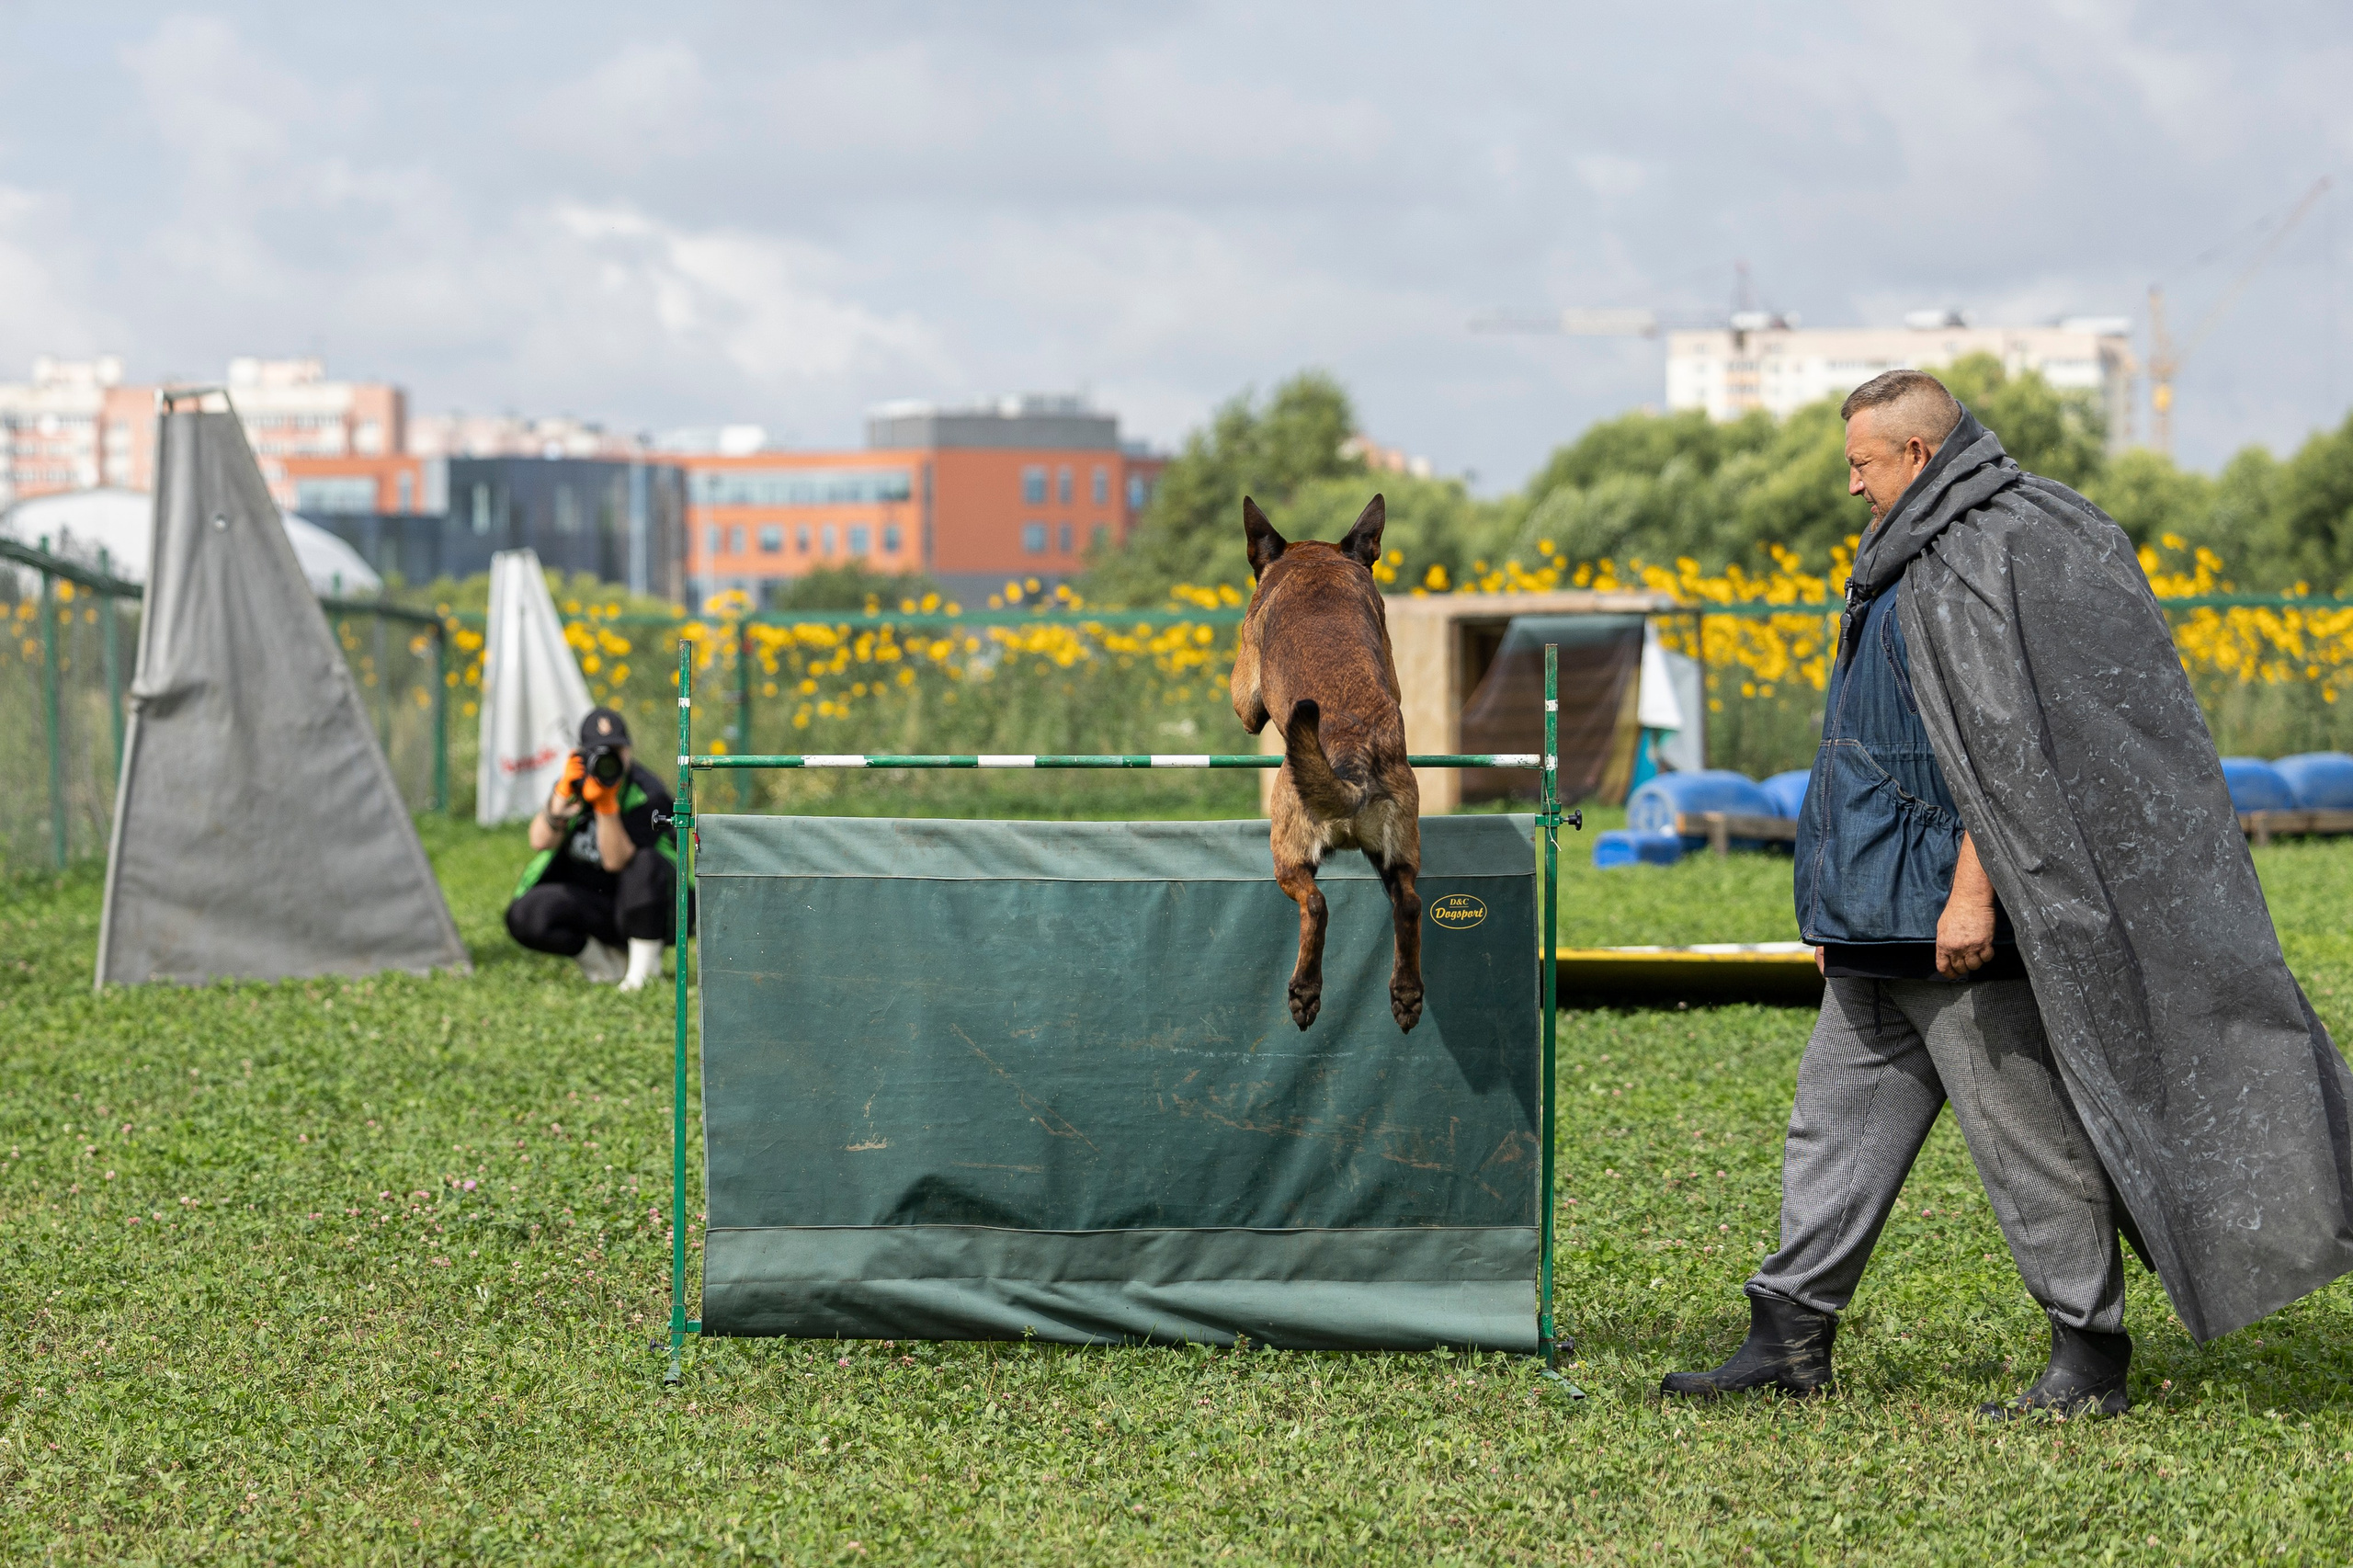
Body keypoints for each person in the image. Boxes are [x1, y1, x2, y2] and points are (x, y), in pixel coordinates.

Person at [1662, 369, 2353, 1419]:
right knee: (1831, 1127)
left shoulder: (1998, 546)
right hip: (1872, 916)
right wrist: (1837, 900)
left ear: (1918, 456)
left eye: (1861, 463)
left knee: (2025, 1143)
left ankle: (2089, 1357)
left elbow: (2015, 751)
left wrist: (1972, 894)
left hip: (1950, 917)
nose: (1850, 486)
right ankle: (1787, 1335)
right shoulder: (1903, 552)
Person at [505, 706, 678, 991]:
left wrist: (605, 804)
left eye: (617, 750)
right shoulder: (576, 783)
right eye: (601, 752)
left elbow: (616, 861)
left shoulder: (648, 793)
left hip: (649, 907)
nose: (610, 760)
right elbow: (539, 841)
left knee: (645, 862)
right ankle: (603, 965)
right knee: (527, 915)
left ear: (629, 751)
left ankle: (644, 972)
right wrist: (559, 799)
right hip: (592, 901)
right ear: (583, 754)